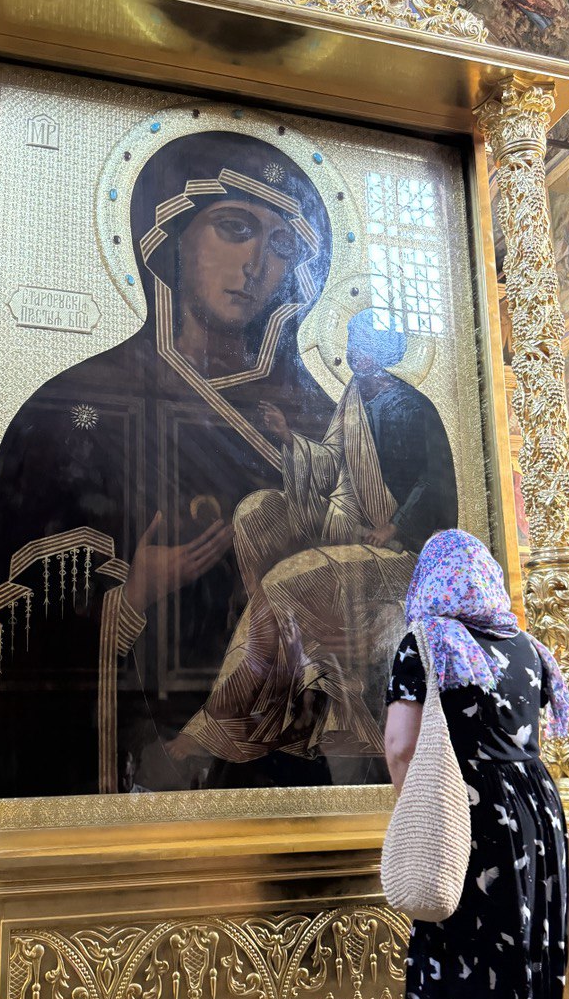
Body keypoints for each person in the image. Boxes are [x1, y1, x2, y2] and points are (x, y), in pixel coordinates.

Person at [0, 130, 339, 798]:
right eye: (235, 228)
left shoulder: (322, 425)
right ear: (171, 237)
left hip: (289, 765)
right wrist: (134, 597)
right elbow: (9, 644)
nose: (257, 263)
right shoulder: (74, 407)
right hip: (139, 771)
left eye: (282, 245)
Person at [172, 311, 457, 771]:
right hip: (348, 526)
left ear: (383, 352)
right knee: (256, 512)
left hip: (401, 551)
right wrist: (288, 437)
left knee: (283, 581)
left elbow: (435, 484)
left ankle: (223, 717)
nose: (354, 352)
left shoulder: (412, 407)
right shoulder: (354, 398)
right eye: (352, 342)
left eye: (364, 344)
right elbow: (332, 465)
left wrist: (395, 526)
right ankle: (279, 665)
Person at [383, 530, 569, 999]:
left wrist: (416, 808)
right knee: (524, 964)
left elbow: (401, 746)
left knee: (468, 964)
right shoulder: (529, 646)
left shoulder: (426, 643)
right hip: (537, 817)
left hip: (471, 819)